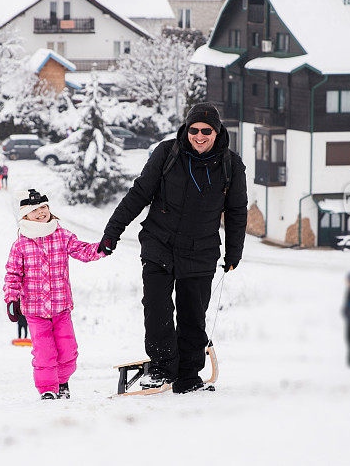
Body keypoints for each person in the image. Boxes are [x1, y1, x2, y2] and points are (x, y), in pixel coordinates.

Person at [101, 103, 248, 394]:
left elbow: (236, 211)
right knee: (157, 308)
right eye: (194, 130)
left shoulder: (231, 165)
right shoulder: (167, 153)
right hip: (160, 244)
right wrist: (112, 231)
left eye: (206, 131)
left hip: (202, 249)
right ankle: (160, 368)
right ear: (186, 130)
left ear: (217, 132)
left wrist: (235, 251)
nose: (199, 136)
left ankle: (188, 376)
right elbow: (140, 192)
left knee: (194, 314)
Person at [3, 189, 108, 400]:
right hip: (35, 310)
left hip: (61, 307)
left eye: (43, 207)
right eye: (34, 210)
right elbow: (12, 274)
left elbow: (82, 250)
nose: (40, 212)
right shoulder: (21, 244)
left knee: (68, 351)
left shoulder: (62, 235)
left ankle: (62, 382)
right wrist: (11, 299)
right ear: (25, 216)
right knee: (44, 353)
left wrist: (103, 247)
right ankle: (48, 389)